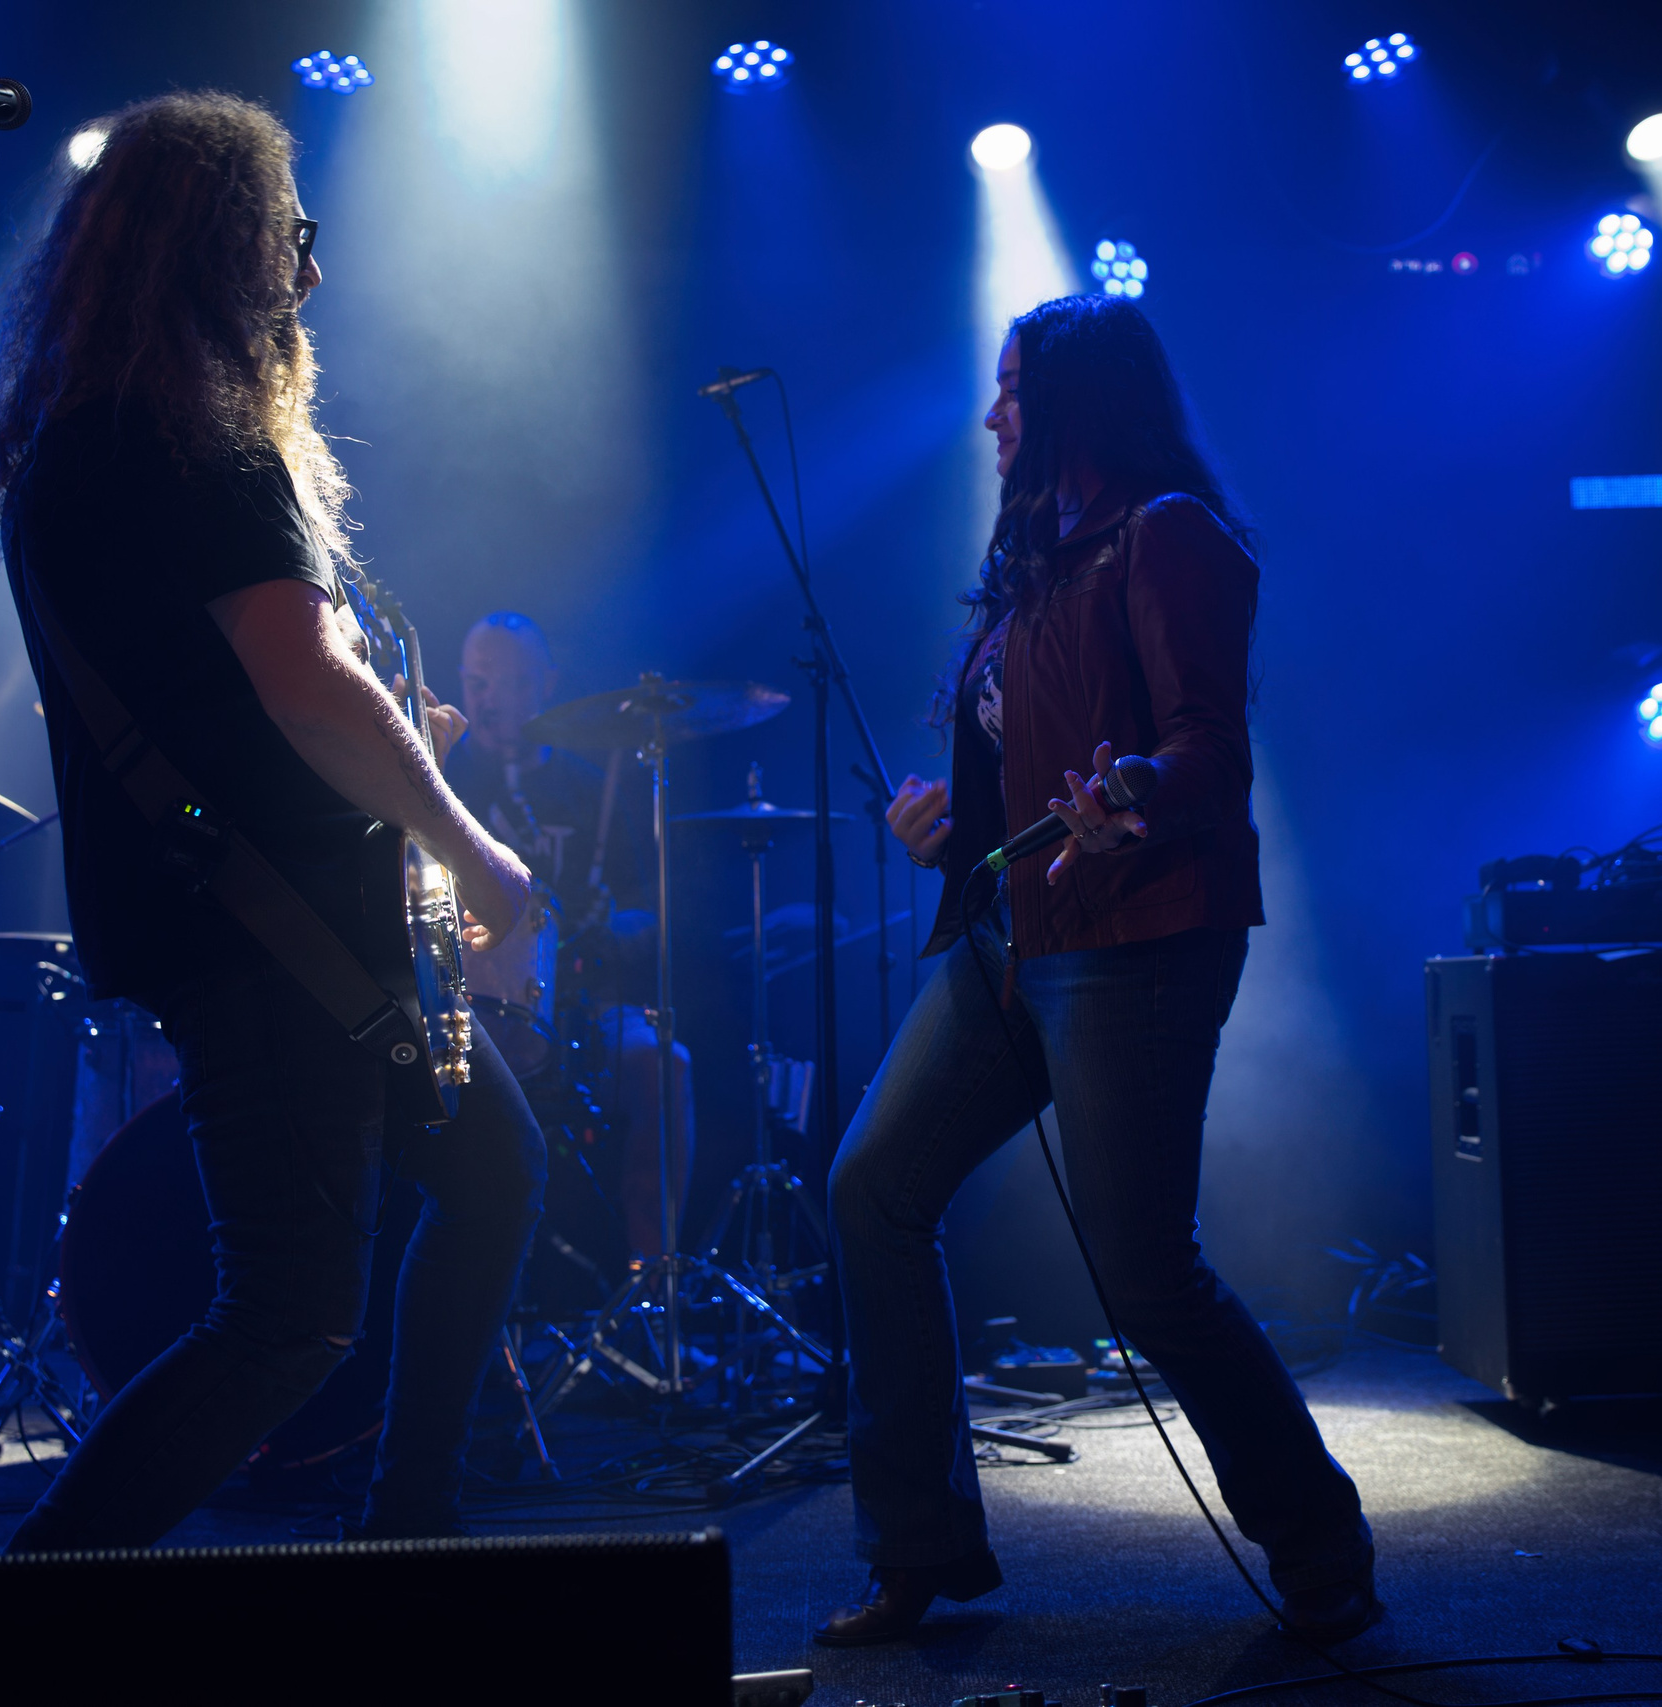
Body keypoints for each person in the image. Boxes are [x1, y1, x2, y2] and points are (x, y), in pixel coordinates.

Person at [0, 91, 544, 1547]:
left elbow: (236, 691)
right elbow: (302, 678)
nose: (314, 269)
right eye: (295, 234)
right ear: (228, 241)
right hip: (273, 933)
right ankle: (12, 1618)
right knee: (287, 1317)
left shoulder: (79, 440)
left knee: (489, 1166)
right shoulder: (196, 443)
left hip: (242, 915)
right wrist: (475, 848)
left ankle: (411, 1516)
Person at [816, 295, 1379, 1646]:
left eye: (1015, 387)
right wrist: (937, 829)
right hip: (1010, 937)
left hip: (1134, 938)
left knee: (1144, 1272)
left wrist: (1131, 785)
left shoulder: (1168, 535)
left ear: (1075, 398)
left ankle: (1321, 1544)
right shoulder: (1030, 567)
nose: (996, 412)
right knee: (871, 1188)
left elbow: (1207, 747)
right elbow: (1009, 774)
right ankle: (919, 1546)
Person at [443, 613, 697, 1259]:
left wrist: (607, 935)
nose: (492, 698)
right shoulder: (443, 781)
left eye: (513, 681)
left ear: (546, 684)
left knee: (664, 1063)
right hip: (468, 1010)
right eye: (478, 682)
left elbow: (649, 912)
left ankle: (652, 1281)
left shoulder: (589, 786)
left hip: (586, 1008)